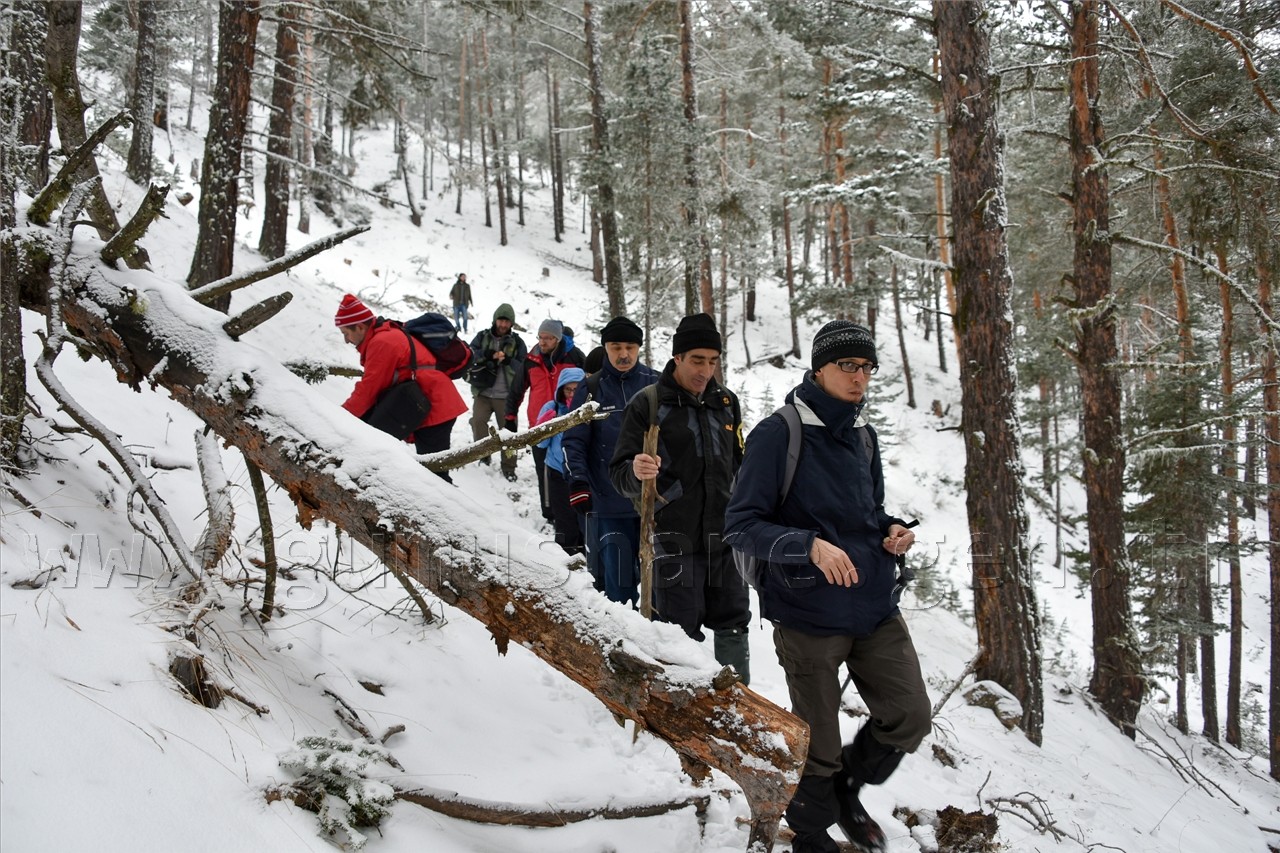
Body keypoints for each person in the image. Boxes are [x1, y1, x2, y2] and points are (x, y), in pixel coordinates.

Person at [723, 321, 928, 853]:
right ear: (818, 369)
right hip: (808, 611)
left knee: (909, 715)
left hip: (874, 605)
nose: (860, 378)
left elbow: (868, 513)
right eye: (848, 367)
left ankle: (847, 792)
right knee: (820, 743)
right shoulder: (779, 433)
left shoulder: (863, 436)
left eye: (866, 368)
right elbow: (741, 525)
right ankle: (811, 835)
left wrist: (891, 530)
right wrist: (809, 545)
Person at [608, 313, 750, 682]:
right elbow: (619, 471)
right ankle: (677, 704)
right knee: (677, 629)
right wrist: (636, 472)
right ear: (677, 359)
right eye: (697, 360)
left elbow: (739, 462)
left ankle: (740, 705)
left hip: (724, 536)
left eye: (713, 361)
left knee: (733, 619)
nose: (706, 370)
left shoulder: (726, 402)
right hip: (673, 536)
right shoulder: (650, 403)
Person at [562, 316, 659, 605]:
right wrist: (578, 481)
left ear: (639, 348)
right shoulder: (590, 388)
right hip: (608, 501)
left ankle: (659, 643)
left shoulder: (655, 384)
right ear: (606, 348)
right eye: (616, 347)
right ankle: (621, 643)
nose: (624, 354)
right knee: (618, 585)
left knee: (658, 582)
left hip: (651, 501)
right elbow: (574, 439)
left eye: (630, 347)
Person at [335, 294, 468, 482]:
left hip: (436, 405)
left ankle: (444, 509)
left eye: (345, 333)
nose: (346, 340)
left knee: (435, 474)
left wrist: (337, 420)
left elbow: (368, 390)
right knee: (431, 471)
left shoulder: (382, 343)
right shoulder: (383, 335)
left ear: (360, 327)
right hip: (428, 401)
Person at [507, 319, 585, 518]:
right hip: (539, 424)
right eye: (540, 338)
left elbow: (589, 383)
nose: (542, 342)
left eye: (548, 338)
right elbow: (517, 389)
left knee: (571, 468)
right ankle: (549, 512)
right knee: (544, 471)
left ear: (557, 339)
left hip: (572, 422)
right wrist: (510, 416)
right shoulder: (532, 359)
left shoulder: (574, 356)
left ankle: (576, 510)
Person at [467, 303, 527, 482]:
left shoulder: (517, 342)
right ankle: (484, 456)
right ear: (495, 320)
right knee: (478, 423)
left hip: (507, 396)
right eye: (501, 320)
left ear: (512, 324)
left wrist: (508, 360)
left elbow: (525, 367)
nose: (503, 325)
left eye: (507, 322)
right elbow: (469, 355)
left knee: (509, 432)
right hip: (483, 392)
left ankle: (509, 467)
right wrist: (487, 355)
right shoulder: (482, 337)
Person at [533, 367, 586, 555]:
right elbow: (539, 444)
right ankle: (566, 556)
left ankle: (587, 556)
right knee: (564, 519)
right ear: (560, 390)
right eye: (567, 389)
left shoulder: (589, 407)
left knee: (585, 516)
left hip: (582, 471)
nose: (572, 393)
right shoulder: (552, 407)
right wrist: (546, 425)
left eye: (576, 389)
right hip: (557, 470)